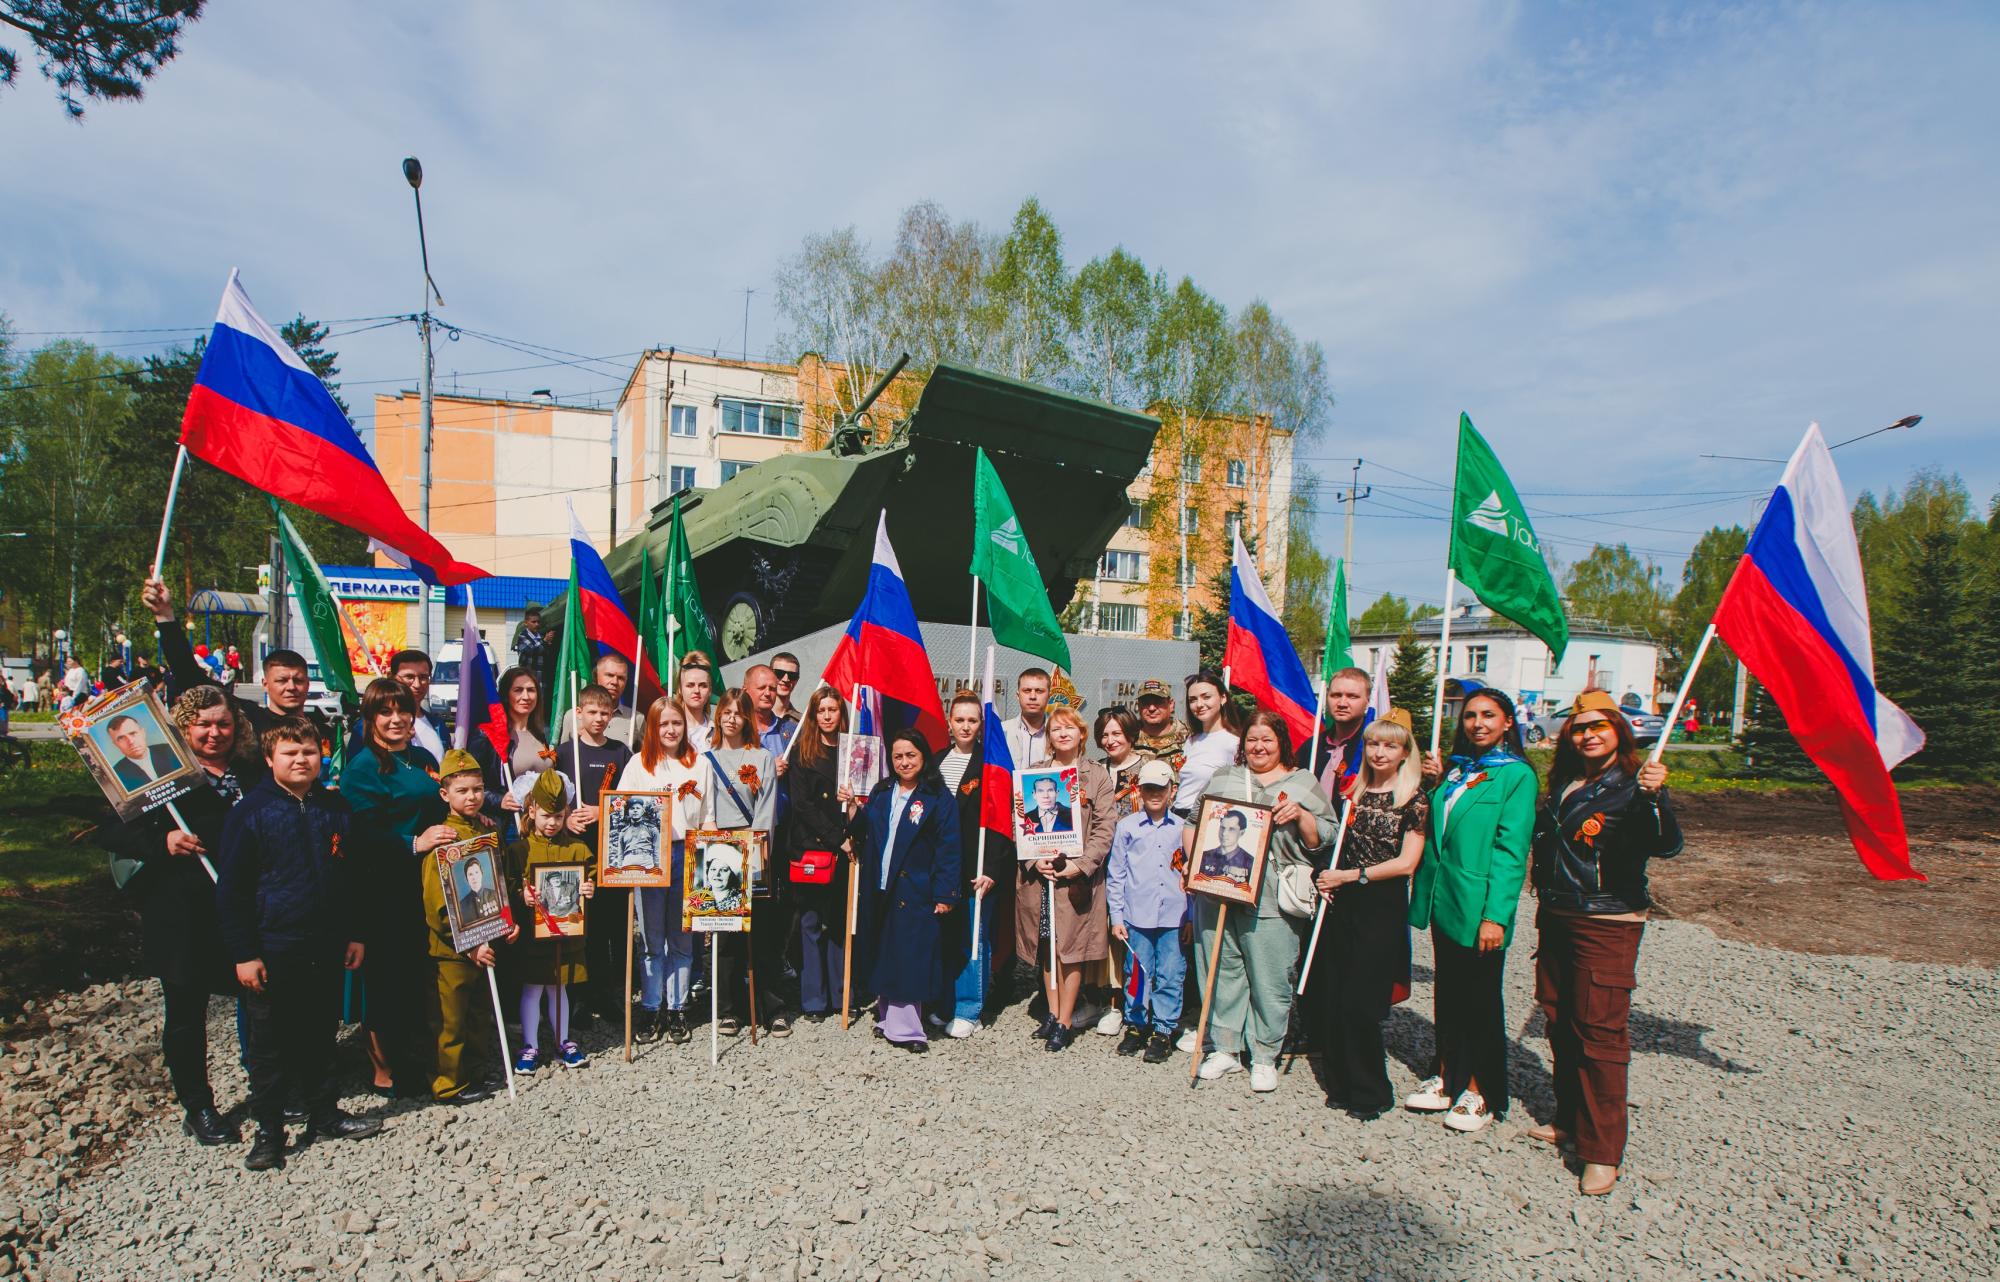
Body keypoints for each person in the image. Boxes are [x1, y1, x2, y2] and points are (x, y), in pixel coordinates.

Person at [1529, 690, 1682, 1195]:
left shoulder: (1633, 785)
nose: (1588, 734)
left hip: (1607, 920)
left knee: (1600, 1033)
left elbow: (1665, 844)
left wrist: (1655, 797)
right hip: (1557, 915)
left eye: (1599, 726)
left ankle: (1602, 1151)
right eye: (1579, 727)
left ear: (1620, 732)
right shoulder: (1569, 783)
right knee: (1561, 1021)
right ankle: (1571, 1119)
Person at [94, 686, 261, 1147]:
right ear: (183, 729)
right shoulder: (161, 777)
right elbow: (108, 829)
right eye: (203, 725)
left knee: (256, 997)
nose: (214, 733)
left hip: (239, 906)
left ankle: (267, 1089)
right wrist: (161, 842)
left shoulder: (249, 771)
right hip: (182, 911)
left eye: (223, 724)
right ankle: (198, 1106)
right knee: (187, 1013)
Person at [215, 718, 381, 1171]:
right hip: (273, 946)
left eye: (308, 751)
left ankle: (325, 1112)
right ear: (270, 760)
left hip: (325, 943)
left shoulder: (335, 808)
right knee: (270, 1045)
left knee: (319, 1035)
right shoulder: (251, 814)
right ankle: (269, 1129)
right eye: (290, 753)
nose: (301, 760)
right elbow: (231, 891)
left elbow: (354, 878)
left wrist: (356, 933)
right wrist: (244, 953)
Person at [1407, 688, 1537, 1133]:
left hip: (1479, 908)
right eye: (1470, 716)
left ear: (1506, 723)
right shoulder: (1460, 772)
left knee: (1480, 1001)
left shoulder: (1516, 776)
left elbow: (1510, 850)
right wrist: (1436, 781)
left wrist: (1496, 916)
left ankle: (1480, 1090)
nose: (1478, 723)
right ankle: (1447, 1075)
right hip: (1446, 903)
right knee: (1448, 994)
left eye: (1488, 715)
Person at [1189, 709, 1337, 1093]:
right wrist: (1192, 870)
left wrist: (1301, 815)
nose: (1258, 746)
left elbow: (1327, 836)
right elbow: (1194, 821)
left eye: (1266, 740)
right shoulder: (1225, 777)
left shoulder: (1302, 782)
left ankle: (1265, 1053)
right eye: (1252, 740)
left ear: (1281, 742)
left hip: (1272, 892)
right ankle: (1225, 1047)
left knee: (1269, 974)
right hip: (1220, 887)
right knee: (1221, 967)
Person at [1306, 710, 1428, 1119]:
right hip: (1344, 900)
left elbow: (1406, 863)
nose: (1379, 752)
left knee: (1361, 1002)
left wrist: (1348, 876)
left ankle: (1371, 1090)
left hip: (1381, 903)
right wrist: (1329, 877)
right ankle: (1340, 1081)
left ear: (1403, 752)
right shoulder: (1355, 792)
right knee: (1335, 994)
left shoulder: (1414, 799)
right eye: (1374, 744)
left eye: (1389, 745)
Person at [340, 678, 457, 1101]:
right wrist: (414, 842)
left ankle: (414, 1055)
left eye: (402, 711)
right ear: (370, 718)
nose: (395, 719)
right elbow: (363, 834)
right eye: (385, 712)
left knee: (415, 974)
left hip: (426, 883)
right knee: (385, 980)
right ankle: (383, 1069)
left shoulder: (422, 756)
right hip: (385, 886)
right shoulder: (363, 767)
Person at [847, 728, 960, 1053]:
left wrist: (944, 894)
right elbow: (867, 830)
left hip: (916, 888)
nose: (904, 762)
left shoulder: (938, 798)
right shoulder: (883, 792)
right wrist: (854, 809)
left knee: (908, 957)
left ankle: (908, 1029)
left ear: (923, 756)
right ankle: (886, 1019)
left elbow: (949, 849)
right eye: (898, 756)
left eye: (911, 755)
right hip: (880, 885)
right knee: (883, 952)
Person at [1015, 705, 1115, 1051]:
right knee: (1048, 948)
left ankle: (1066, 1020)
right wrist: (1033, 862)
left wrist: (1082, 864)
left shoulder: (1095, 775)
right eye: (1056, 729)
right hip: (1042, 879)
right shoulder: (1033, 775)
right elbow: (1020, 828)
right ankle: (1053, 1013)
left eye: (1069, 728)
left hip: (1075, 881)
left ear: (1081, 733)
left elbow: (1105, 827)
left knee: (1070, 950)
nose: (1062, 734)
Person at [423, 750, 517, 1103]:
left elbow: (498, 882)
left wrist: (505, 924)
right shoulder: (444, 839)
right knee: (451, 1018)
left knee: (479, 1010)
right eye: (462, 791)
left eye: (477, 789)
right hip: (453, 949)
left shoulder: (486, 829)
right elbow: (439, 904)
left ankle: (475, 1070)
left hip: (486, 938)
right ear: (445, 794)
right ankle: (449, 1082)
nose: (472, 797)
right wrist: (468, 943)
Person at [144, 577, 333, 746]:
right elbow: (190, 678)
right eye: (282, 680)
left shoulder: (323, 730)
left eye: (298, 680)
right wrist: (165, 615)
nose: (291, 687)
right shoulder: (248, 718)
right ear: (265, 684)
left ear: (307, 684)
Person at [617, 698, 705, 1044]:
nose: (670, 730)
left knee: (682, 938)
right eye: (663, 724)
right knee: (653, 939)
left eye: (677, 723)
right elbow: (621, 810)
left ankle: (679, 1007)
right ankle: (652, 1007)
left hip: (686, 850)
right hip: (649, 856)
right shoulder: (639, 764)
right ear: (652, 728)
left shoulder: (698, 764)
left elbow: (706, 812)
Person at [554, 683, 635, 1030]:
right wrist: (567, 815)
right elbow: (553, 796)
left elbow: (633, 798)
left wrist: (604, 811)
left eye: (605, 713)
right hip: (574, 849)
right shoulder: (564, 753)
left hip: (611, 852)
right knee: (577, 926)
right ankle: (578, 999)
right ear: (580, 713)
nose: (599, 718)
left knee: (610, 925)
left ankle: (608, 994)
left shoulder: (622, 752)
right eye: (593, 712)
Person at [704, 687, 784, 1036]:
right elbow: (703, 806)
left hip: (755, 846)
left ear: (747, 718)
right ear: (718, 715)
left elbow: (766, 807)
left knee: (763, 933)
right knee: (727, 937)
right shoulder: (705, 759)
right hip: (721, 849)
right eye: (726, 711)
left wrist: (757, 849)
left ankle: (770, 1006)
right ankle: (729, 1009)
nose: (732, 718)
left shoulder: (762, 757)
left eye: (739, 712)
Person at [505, 768, 595, 1073]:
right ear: (531, 811)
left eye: (558, 816)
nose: (552, 823)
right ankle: (530, 1045)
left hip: (567, 930)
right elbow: (509, 884)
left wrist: (589, 886)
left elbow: (592, 874)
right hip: (534, 933)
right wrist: (522, 896)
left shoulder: (578, 848)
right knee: (533, 987)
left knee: (559, 987)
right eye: (545, 816)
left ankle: (563, 1041)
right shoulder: (519, 849)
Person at [935, 690, 1008, 1039]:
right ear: (950, 722)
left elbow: (1000, 822)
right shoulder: (935, 761)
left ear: (982, 725)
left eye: (972, 720)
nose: (965, 726)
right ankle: (944, 1002)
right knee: (944, 938)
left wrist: (992, 868)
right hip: (941, 867)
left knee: (972, 937)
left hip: (975, 867)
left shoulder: (990, 764)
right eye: (960, 719)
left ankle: (969, 1008)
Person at [1106, 759, 1187, 1063]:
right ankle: (1136, 1024)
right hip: (1137, 916)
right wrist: (1117, 916)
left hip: (1173, 916)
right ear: (1140, 790)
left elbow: (1190, 877)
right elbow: (1117, 874)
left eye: (1160, 788)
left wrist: (1190, 916)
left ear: (1171, 791)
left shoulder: (1182, 829)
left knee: (1170, 973)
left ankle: (1163, 1030)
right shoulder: (1126, 827)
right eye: (1149, 788)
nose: (1155, 794)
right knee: (1137, 972)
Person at [786, 687, 853, 1023]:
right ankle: (814, 999)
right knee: (811, 923)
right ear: (813, 716)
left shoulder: (854, 751)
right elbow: (802, 805)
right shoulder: (802, 753)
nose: (828, 716)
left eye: (833, 710)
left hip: (846, 851)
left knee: (840, 924)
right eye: (821, 710)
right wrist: (834, 837)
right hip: (813, 849)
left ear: (842, 714)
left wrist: (853, 805)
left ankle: (843, 995)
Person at [468, 666, 550, 821]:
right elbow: (468, 781)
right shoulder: (487, 735)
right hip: (509, 824)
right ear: (506, 695)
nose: (526, 696)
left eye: (531, 690)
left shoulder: (540, 735)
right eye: (518, 690)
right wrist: (499, 800)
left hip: (540, 823)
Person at [1173, 670, 1242, 818]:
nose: (1199, 704)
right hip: (1177, 816)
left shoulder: (1234, 742)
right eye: (1192, 700)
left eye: (1206, 697)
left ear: (1223, 698)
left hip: (1203, 819)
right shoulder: (1191, 741)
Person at [1313, 666, 1373, 798]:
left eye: (1352, 696)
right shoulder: (1312, 746)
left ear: (1367, 701)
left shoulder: (1374, 748)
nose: (1342, 703)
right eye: (1336, 695)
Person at [558, 652, 634, 744]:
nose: (615, 682)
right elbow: (563, 754)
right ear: (596, 676)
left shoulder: (636, 719)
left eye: (621, 678)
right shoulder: (572, 716)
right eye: (609, 675)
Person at [107, 713, 180, 789]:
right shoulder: (116, 775)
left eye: (133, 733)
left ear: (143, 732)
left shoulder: (170, 750)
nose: (130, 741)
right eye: (121, 738)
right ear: (116, 744)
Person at [1132, 679, 1188, 768]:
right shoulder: (1129, 738)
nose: (1151, 708)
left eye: (1158, 702)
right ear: (1138, 706)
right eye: (1146, 702)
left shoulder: (1189, 738)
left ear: (1171, 705)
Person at [1002, 668, 1051, 768]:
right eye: (1027, 690)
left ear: (1049, 696)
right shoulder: (1002, 731)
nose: (1032, 696)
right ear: (1017, 695)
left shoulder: (1061, 734)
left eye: (1039, 691)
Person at [1198, 810, 1255, 883]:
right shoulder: (1203, 856)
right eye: (1222, 828)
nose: (1224, 833)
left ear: (1241, 833)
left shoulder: (1250, 862)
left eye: (1231, 829)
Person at [675, 654, 715, 753]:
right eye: (690, 685)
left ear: (710, 690)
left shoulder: (720, 732)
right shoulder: (668, 732)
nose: (696, 690)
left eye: (703, 685)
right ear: (680, 689)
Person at [769, 651, 802, 721]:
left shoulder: (803, 723)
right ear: (769, 675)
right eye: (779, 673)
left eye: (792, 675)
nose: (786, 679)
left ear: (797, 680)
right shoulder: (753, 717)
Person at [512, 607, 546, 673]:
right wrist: (544, 641)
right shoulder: (522, 636)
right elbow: (531, 650)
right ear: (526, 623)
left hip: (540, 676)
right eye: (533, 622)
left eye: (538, 622)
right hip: (527, 674)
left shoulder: (541, 636)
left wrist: (548, 643)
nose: (537, 624)